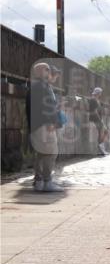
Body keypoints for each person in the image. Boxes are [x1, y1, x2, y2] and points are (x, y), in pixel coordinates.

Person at [27, 62, 63, 192]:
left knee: (42, 154)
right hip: (44, 126)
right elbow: (44, 107)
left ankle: (39, 182)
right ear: (42, 71)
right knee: (51, 152)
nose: (50, 73)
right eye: (47, 70)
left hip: (39, 126)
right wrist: (50, 122)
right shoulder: (41, 86)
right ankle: (46, 182)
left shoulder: (39, 86)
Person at [88, 87, 109, 156]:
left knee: (105, 132)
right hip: (96, 119)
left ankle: (101, 148)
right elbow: (94, 111)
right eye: (100, 93)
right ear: (98, 93)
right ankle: (101, 150)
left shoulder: (98, 100)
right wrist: (100, 120)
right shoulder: (93, 100)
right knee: (102, 132)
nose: (101, 94)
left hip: (99, 118)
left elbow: (101, 106)